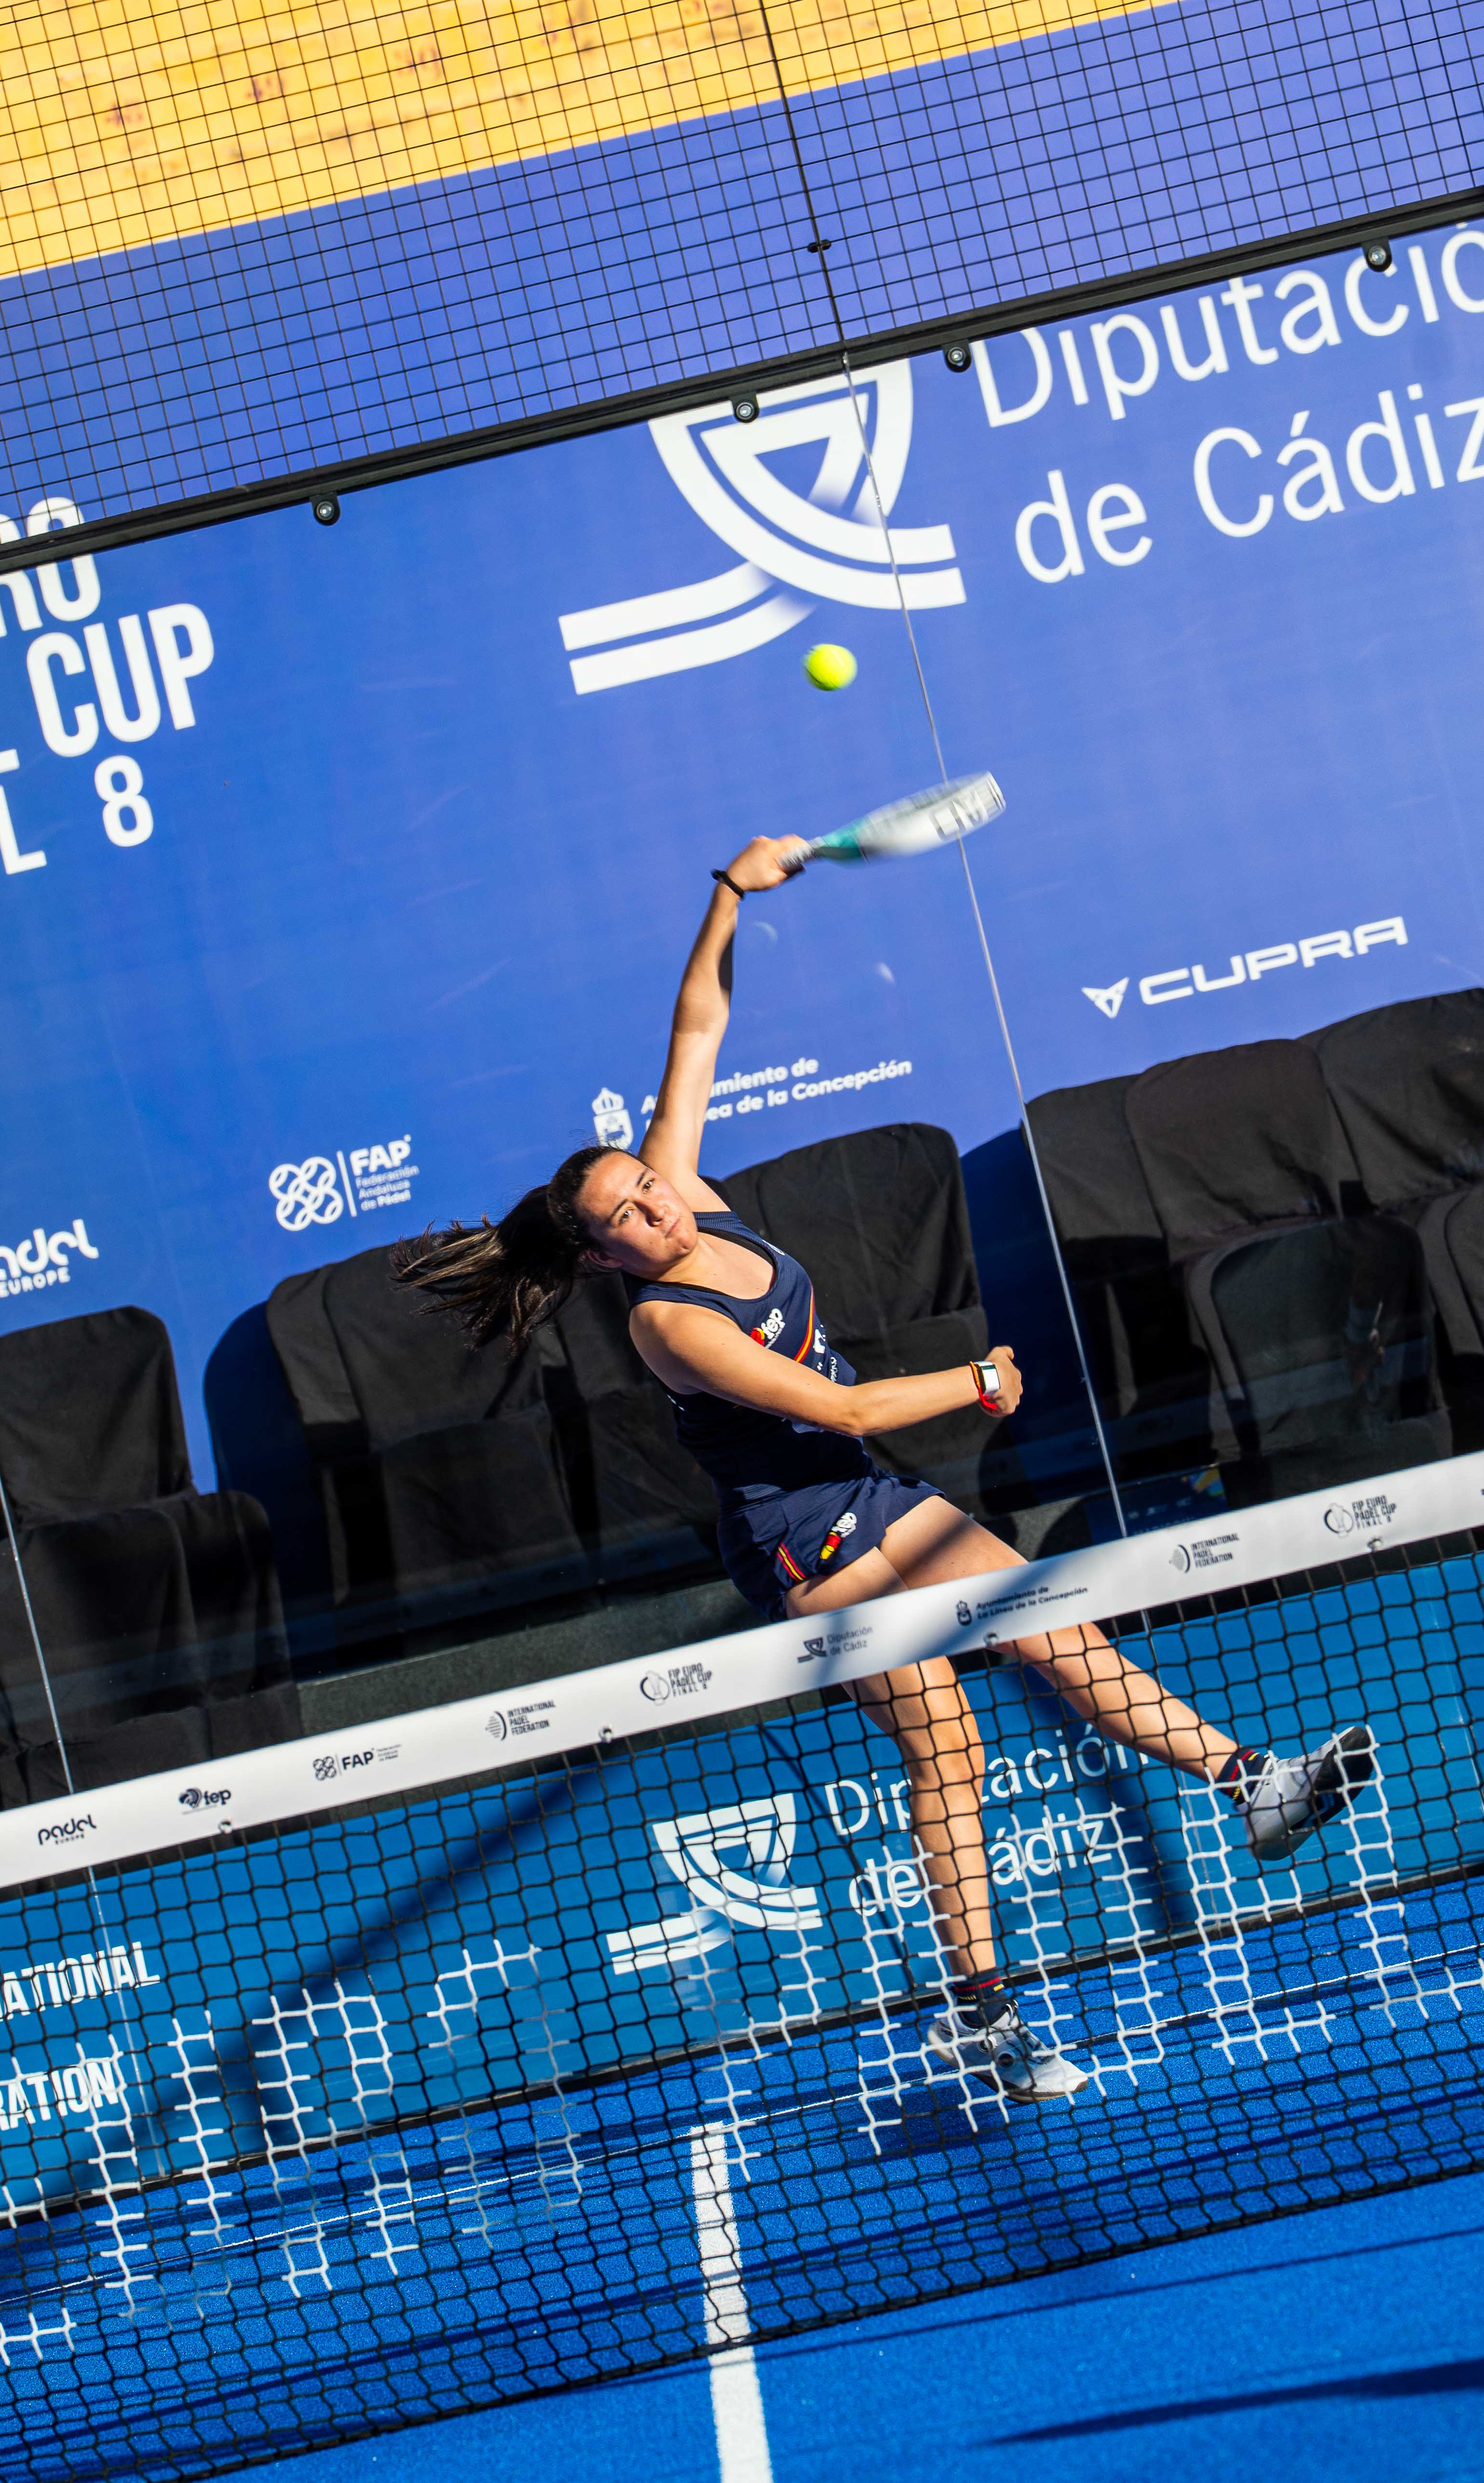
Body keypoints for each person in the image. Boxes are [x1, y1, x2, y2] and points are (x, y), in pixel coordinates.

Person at [394, 834, 1373, 2105]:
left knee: (1050, 1624)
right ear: (599, 1256)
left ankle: (1256, 1786)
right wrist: (975, 1384)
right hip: (801, 1542)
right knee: (948, 1744)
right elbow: (839, 1405)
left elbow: (696, 1028)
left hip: (867, 1496)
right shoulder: (669, 1325)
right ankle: (983, 2018)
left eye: (646, 1184)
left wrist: (728, 895)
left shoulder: (686, 1184)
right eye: (628, 1214)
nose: (656, 1206)